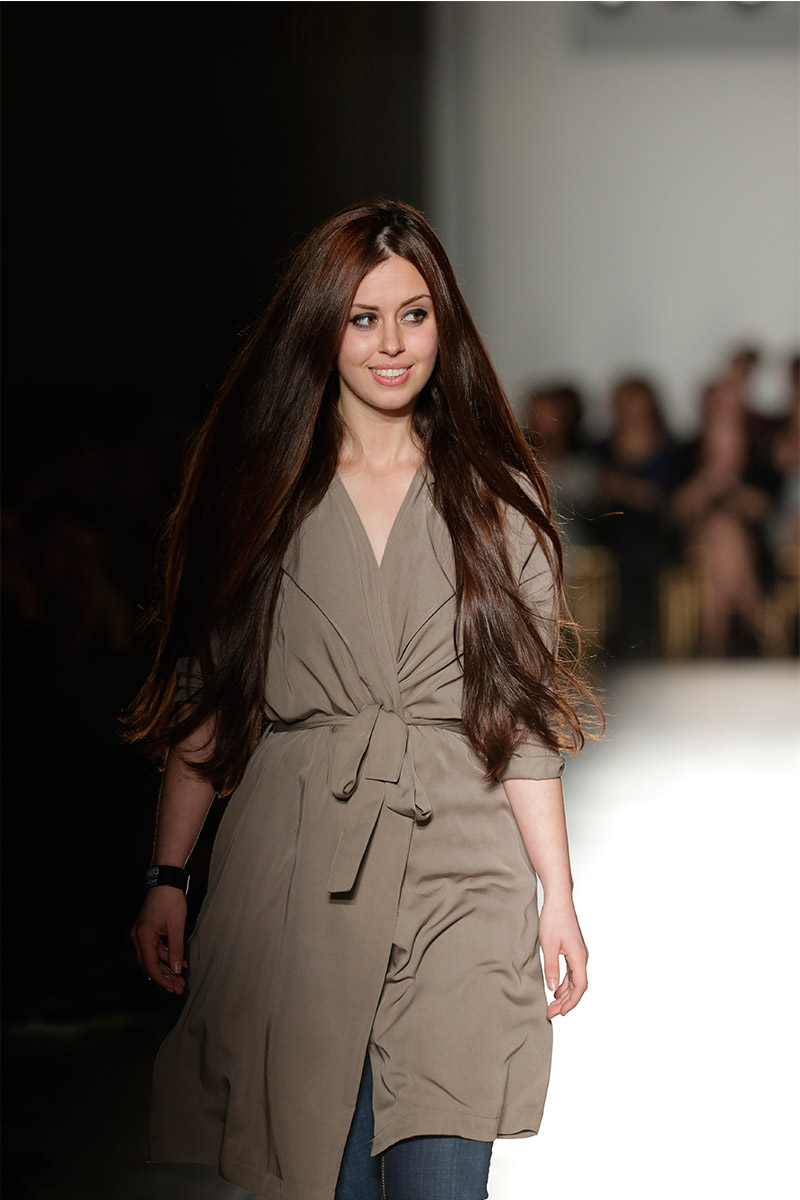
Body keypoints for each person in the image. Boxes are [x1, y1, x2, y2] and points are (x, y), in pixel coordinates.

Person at [127, 200, 597, 1200]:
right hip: (298, 860)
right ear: (322, 328)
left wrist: (556, 895)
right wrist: (169, 871)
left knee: (443, 1171)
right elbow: (209, 701)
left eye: (413, 315)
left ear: (443, 327)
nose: (392, 344)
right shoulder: (260, 497)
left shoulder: (495, 501)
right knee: (320, 1174)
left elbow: (518, 719)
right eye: (363, 317)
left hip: (459, 863)